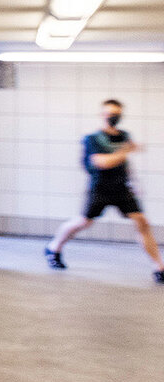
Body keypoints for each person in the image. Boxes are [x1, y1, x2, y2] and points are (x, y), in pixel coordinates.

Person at [45, 98, 164, 283]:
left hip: (122, 188)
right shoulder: (92, 139)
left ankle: (159, 267)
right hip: (100, 188)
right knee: (83, 222)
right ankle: (54, 247)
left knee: (142, 221)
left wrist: (134, 182)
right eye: (109, 113)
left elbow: (124, 163)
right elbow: (102, 162)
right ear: (102, 115)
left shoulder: (124, 136)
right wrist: (126, 150)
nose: (112, 117)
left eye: (116, 114)